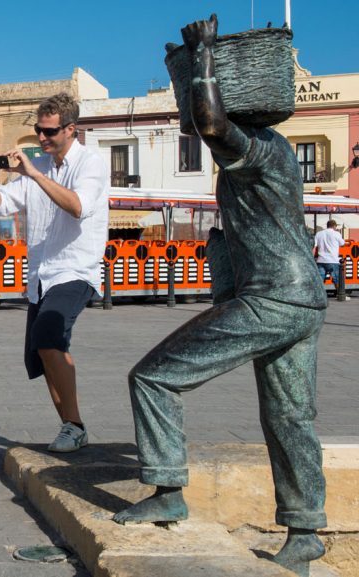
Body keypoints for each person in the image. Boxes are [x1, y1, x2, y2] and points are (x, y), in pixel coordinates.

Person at [113, 16, 328, 576]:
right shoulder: (274, 149)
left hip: (274, 298)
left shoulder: (256, 146)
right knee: (289, 418)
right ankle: (305, 531)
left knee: (154, 376)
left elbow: (209, 122)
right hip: (302, 299)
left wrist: (203, 53)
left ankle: (167, 491)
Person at [0, 92, 108, 452]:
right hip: (41, 276)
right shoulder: (39, 165)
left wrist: (34, 173)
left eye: (49, 132)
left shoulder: (90, 164)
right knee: (41, 350)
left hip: (76, 270)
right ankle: (71, 425)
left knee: (49, 335)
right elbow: (0, 207)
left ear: (71, 129)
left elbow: (78, 207)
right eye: (38, 130)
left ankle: (75, 424)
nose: (41, 138)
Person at [314, 219, 346, 293]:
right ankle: (340, 294)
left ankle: (319, 295)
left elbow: (314, 246)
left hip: (320, 260)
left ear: (327, 226)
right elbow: (342, 243)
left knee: (320, 280)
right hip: (332, 260)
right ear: (334, 226)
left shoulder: (319, 234)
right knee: (337, 279)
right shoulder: (336, 234)